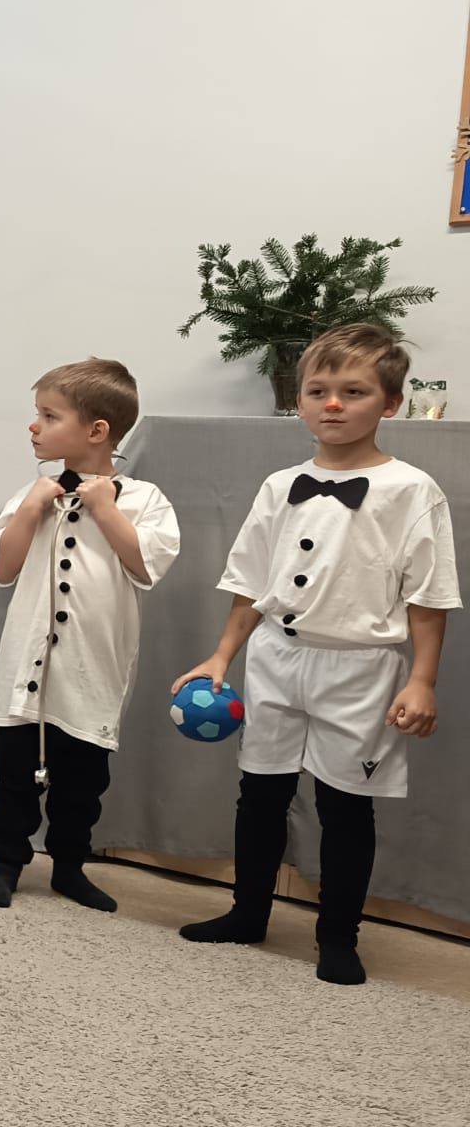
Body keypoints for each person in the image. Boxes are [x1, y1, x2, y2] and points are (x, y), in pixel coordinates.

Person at [175, 324, 456, 985]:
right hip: (275, 660)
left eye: (353, 392)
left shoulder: (411, 490)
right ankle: (247, 913)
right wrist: (221, 657)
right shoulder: (279, 486)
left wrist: (422, 680)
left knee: (345, 805)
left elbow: (429, 597)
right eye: (318, 391)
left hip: (359, 670)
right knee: (260, 793)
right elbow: (251, 583)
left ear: (390, 404)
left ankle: (338, 937)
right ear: (299, 401)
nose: (332, 403)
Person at [0, 359, 180, 912]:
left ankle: (69, 867)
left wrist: (106, 511)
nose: (33, 426)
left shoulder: (145, 500)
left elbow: (146, 567)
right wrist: (31, 508)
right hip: (27, 667)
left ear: (97, 430)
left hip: (92, 668)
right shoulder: (34, 493)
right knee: (14, 775)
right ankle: (4, 862)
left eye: (49, 415)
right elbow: (5, 569)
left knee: (82, 783)